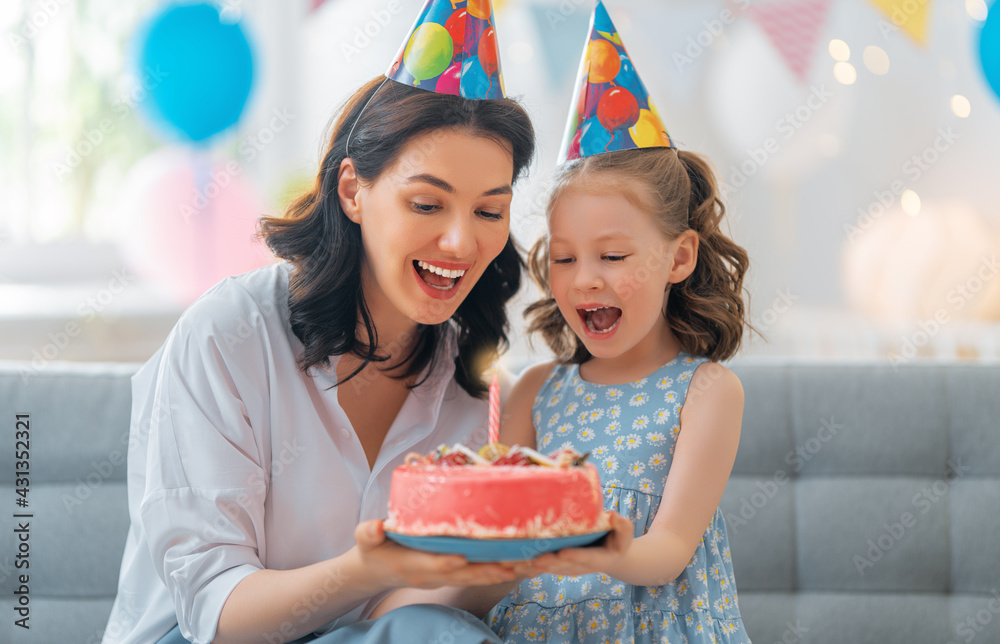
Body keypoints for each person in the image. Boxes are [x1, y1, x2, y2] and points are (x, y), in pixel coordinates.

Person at [101, 66, 537, 644]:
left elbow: (397, 620)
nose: (461, 242)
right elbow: (216, 615)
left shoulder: (476, 389)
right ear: (353, 191)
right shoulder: (230, 334)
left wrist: (501, 567)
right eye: (428, 204)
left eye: (488, 212)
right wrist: (375, 564)